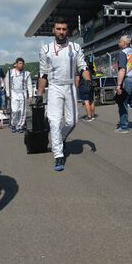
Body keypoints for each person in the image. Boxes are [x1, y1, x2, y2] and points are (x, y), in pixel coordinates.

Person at [36, 17, 91, 171]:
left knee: (72, 121)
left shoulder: (75, 47)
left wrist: (87, 81)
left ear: (67, 31)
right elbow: (43, 74)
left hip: (70, 86)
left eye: (64, 29)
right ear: (54, 30)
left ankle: (60, 137)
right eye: (58, 29)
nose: (61, 32)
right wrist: (39, 94)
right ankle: (58, 155)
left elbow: (82, 66)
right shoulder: (45, 49)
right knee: (54, 121)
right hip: (54, 87)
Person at [5, 57, 33, 133]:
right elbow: (7, 83)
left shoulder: (27, 73)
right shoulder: (10, 72)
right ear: (16, 64)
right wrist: (8, 94)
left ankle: (21, 125)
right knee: (14, 110)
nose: (21, 65)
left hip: (23, 93)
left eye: (22, 64)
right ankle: (14, 124)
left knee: (22, 111)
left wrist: (30, 96)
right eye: (20, 63)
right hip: (14, 93)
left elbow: (29, 84)